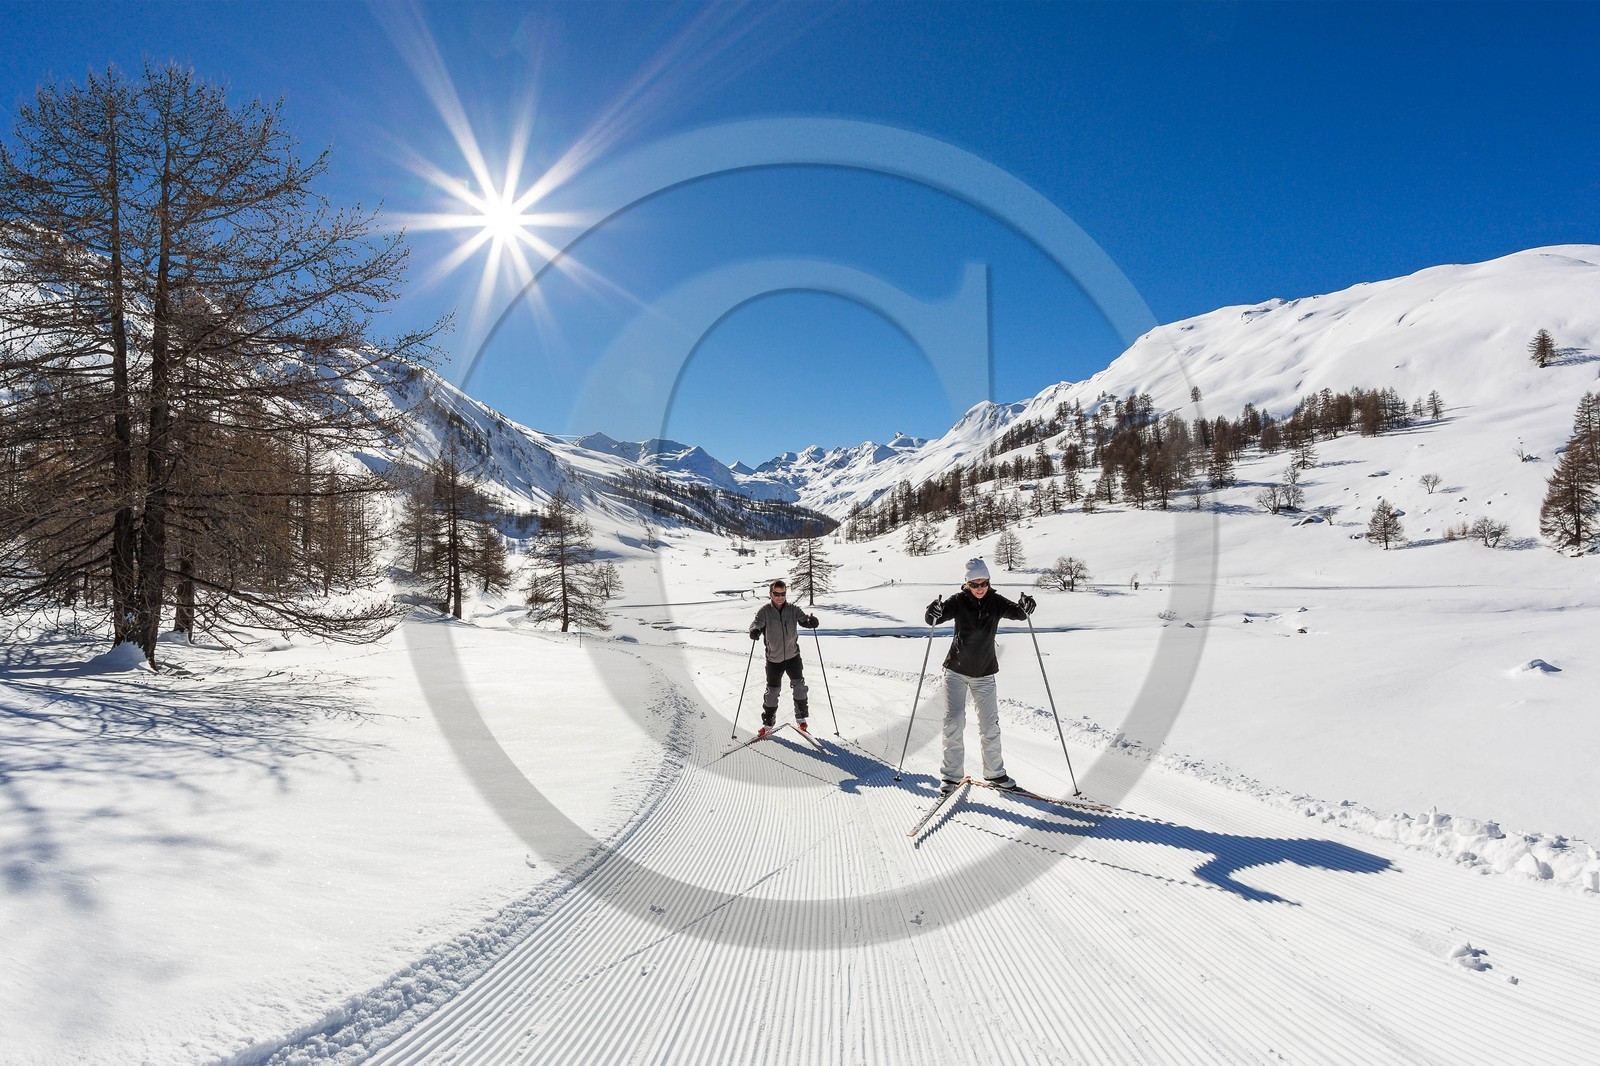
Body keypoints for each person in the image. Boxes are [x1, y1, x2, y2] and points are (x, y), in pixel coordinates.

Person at [924, 557, 1035, 795]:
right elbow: (935, 618)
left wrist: (1027, 605)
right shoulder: (958, 601)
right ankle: (951, 776)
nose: (980, 588)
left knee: (990, 726)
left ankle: (995, 774)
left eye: (984, 582)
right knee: (954, 722)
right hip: (955, 671)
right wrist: (931, 610)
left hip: (985, 674)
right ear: (967, 584)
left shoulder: (995, 601)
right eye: (975, 584)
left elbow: (1019, 613)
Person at [749, 579, 820, 736]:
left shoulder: (793, 610)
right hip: (774, 659)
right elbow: (756, 624)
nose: (780, 597)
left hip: (793, 656)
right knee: (772, 692)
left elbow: (805, 621)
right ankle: (768, 724)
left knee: (800, 687)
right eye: (776, 594)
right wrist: (754, 631)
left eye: (782, 594)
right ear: (771, 594)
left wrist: (812, 622)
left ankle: (801, 719)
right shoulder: (764, 611)